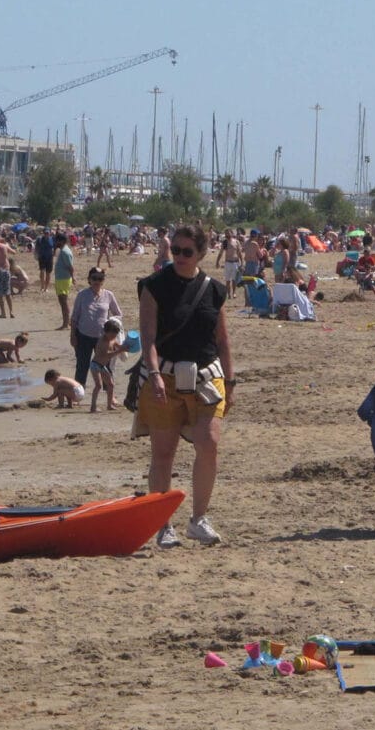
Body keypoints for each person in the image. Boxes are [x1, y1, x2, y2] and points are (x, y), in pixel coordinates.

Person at [135, 225, 233, 548]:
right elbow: (147, 339)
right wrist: (153, 374)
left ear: (201, 254)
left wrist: (230, 382)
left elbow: (222, 340)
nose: (178, 256)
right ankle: (163, 525)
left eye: (186, 252)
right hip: (165, 376)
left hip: (207, 377)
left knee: (209, 442)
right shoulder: (153, 287)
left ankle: (198, 519)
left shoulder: (214, 290)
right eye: (175, 250)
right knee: (163, 454)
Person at [69, 267, 122, 385]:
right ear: (89, 279)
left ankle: (110, 395)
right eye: (94, 278)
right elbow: (74, 317)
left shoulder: (109, 295)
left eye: (100, 278)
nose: (97, 281)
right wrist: (73, 336)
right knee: (82, 366)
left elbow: (118, 314)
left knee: (106, 367)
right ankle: (78, 393)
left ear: (103, 280)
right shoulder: (82, 295)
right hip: (83, 336)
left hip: (103, 338)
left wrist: (111, 325)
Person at [90, 318, 125, 413]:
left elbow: (120, 346)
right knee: (98, 385)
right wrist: (119, 351)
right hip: (95, 365)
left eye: (115, 334)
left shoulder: (113, 339)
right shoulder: (103, 341)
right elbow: (107, 355)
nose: (113, 336)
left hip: (102, 366)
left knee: (110, 384)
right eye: (111, 334)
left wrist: (127, 347)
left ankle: (109, 405)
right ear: (105, 332)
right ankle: (93, 407)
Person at [53, 232, 74, 329]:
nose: (55, 242)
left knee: (63, 301)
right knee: (62, 301)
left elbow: (70, 267)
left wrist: (73, 277)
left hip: (63, 279)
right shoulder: (62, 250)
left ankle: (66, 324)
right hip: (60, 279)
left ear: (61, 241)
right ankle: (67, 322)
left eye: (57, 240)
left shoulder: (65, 252)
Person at [214, 231, 242, 299]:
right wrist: (217, 261)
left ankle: (234, 293)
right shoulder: (225, 242)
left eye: (229, 234)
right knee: (227, 280)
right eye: (226, 234)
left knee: (234, 279)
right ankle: (229, 294)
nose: (227, 235)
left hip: (235, 262)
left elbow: (239, 252)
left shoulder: (236, 242)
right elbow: (220, 253)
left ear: (232, 234)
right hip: (228, 263)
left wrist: (242, 262)